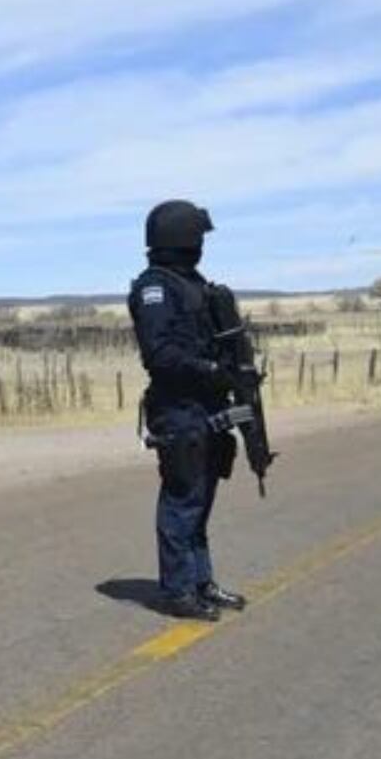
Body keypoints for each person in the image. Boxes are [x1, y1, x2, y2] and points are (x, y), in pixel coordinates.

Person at [126, 199, 254, 622]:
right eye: (196, 236)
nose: (201, 244)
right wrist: (210, 369)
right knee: (182, 500)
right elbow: (160, 355)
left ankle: (201, 582)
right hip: (179, 410)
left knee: (201, 503)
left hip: (208, 407)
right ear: (180, 238)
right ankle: (178, 591)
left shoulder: (195, 284)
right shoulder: (155, 288)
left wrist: (233, 375)